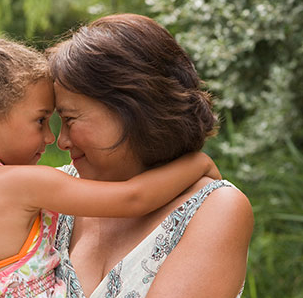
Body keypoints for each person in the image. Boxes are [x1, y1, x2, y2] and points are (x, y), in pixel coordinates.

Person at [0, 25, 220, 298]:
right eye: (41, 120)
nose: (51, 138)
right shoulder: (20, 183)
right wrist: (197, 165)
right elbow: (133, 198)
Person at [48, 13, 254, 298]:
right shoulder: (52, 196)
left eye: (70, 119)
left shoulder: (216, 208)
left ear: (131, 111)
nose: (62, 142)